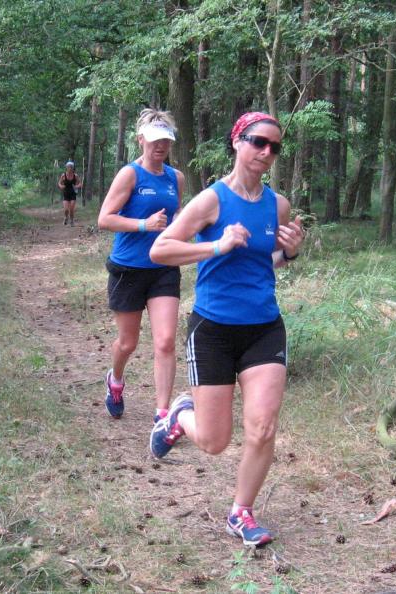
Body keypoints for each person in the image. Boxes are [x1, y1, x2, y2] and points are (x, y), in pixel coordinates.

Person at [147, 112, 304, 546]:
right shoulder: (210, 200)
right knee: (215, 442)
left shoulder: (278, 205)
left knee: (263, 427)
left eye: (274, 146)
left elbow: (265, 261)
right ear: (237, 141)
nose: (266, 152)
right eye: (258, 141)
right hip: (213, 329)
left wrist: (289, 254)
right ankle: (180, 416)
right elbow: (161, 250)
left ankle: (241, 512)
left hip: (264, 327)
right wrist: (217, 245)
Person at [97, 108, 185, 425]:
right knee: (128, 343)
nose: (160, 146)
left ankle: (162, 415)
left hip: (163, 268)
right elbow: (105, 218)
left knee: (165, 341)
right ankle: (115, 379)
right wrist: (143, 224)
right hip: (129, 269)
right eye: (154, 140)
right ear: (141, 140)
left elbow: (177, 217)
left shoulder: (176, 178)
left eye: (166, 140)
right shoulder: (130, 175)